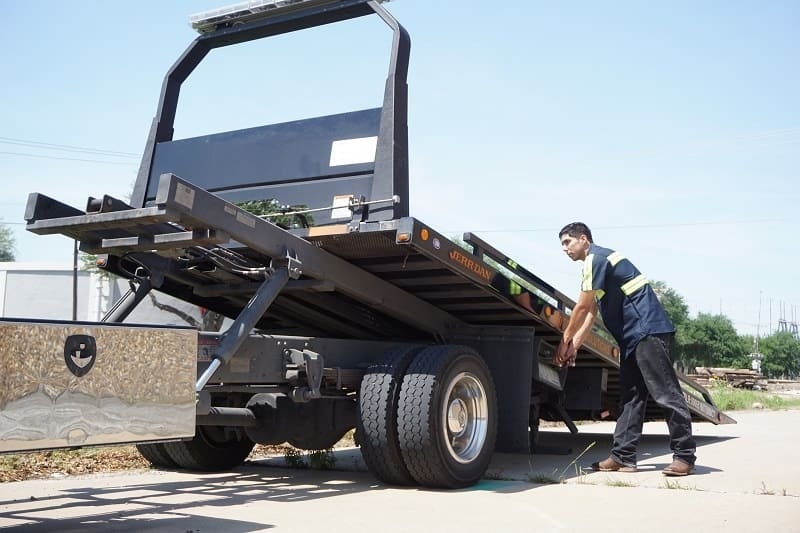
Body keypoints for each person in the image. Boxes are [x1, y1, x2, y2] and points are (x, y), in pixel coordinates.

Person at [556, 222, 696, 476]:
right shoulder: (599, 265)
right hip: (632, 337)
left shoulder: (596, 258)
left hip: (647, 331)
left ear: (584, 239)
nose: (564, 249)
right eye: (562, 244)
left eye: (568, 242)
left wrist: (564, 338)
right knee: (631, 398)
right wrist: (574, 345)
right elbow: (592, 313)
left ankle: (685, 456)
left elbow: (582, 307)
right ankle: (623, 457)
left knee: (666, 393)